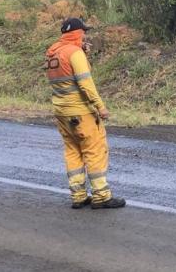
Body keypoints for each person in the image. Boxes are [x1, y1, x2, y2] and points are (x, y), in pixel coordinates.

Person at [45, 17, 125, 209]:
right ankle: (101, 195)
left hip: (61, 112)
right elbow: (85, 83)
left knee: (73, 151)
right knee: (94, 150)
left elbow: (67, 77)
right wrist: (101, 107)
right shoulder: (74, 53)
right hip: (80, 111)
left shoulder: (52, 53)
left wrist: (83, 54)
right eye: (84, 32)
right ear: (76, 33)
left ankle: (79, 195)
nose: (85, 36)